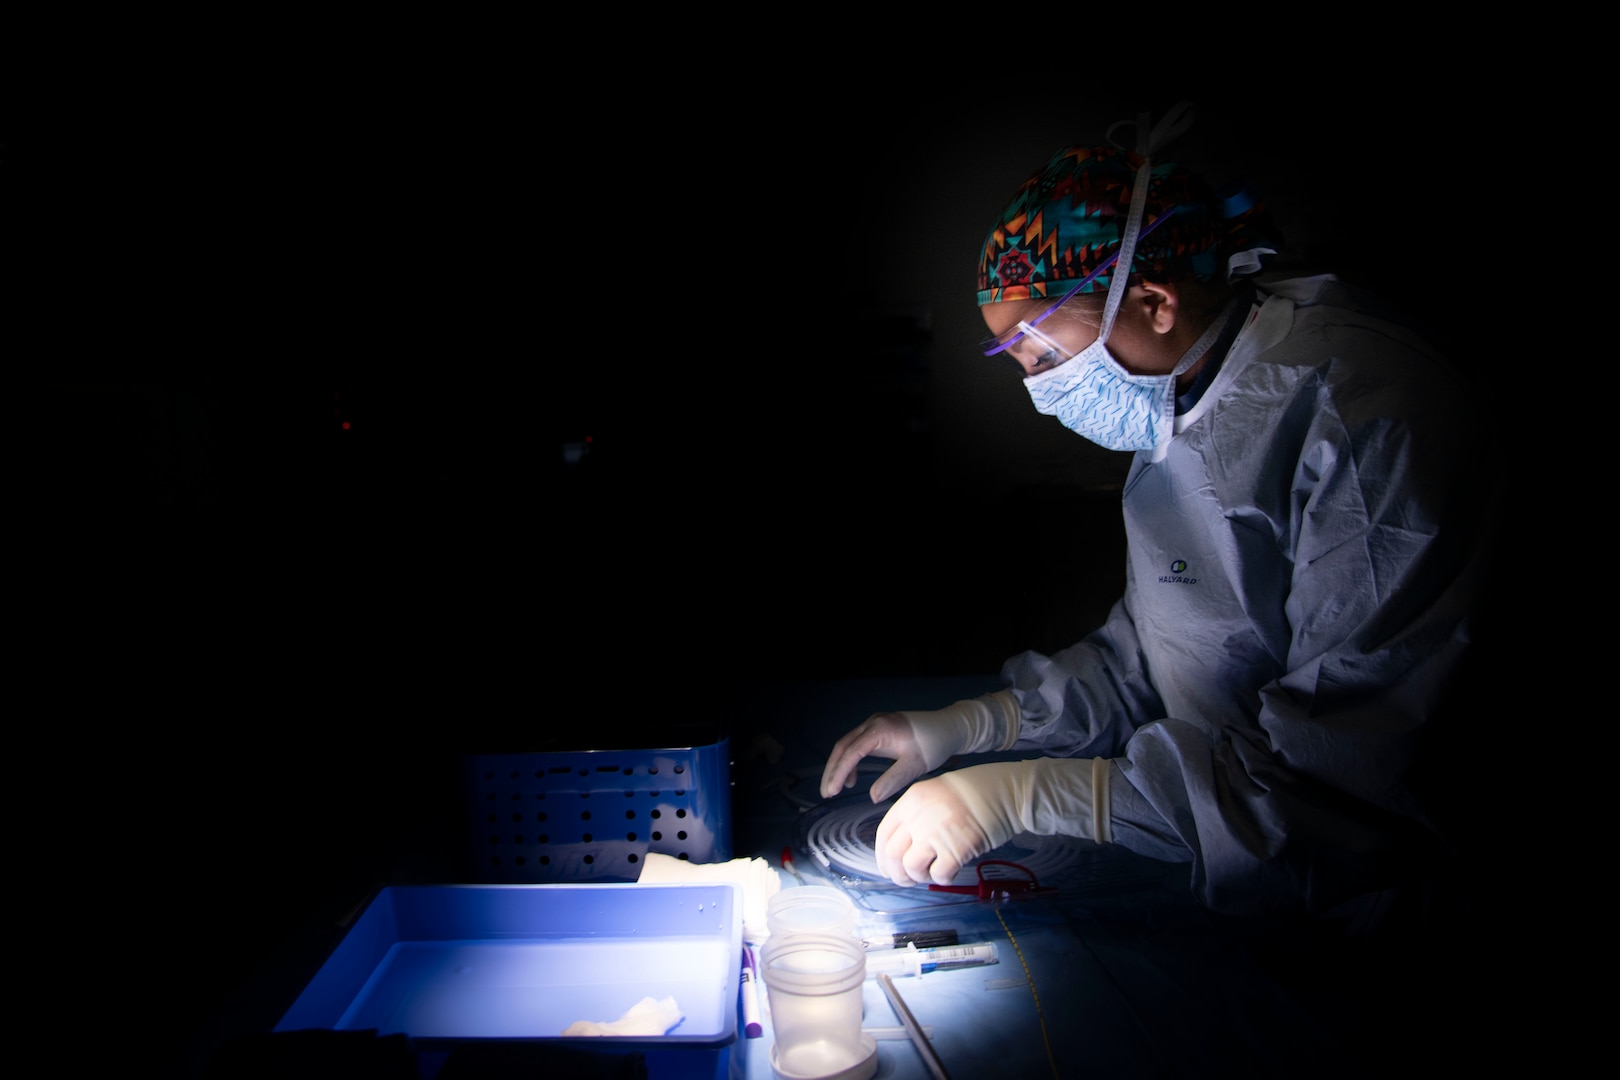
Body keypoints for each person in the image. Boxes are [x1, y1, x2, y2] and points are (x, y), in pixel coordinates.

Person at [818, 103, 1501, 925]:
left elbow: (1331, 786)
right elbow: (1159, 651)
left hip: (1390, 909)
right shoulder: (1180, 402)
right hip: (1252, 883)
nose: (1034, 385)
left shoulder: (1361, 422)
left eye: (1040, 351)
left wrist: (1024, 794)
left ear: (1153, 301)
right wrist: (974, 725)